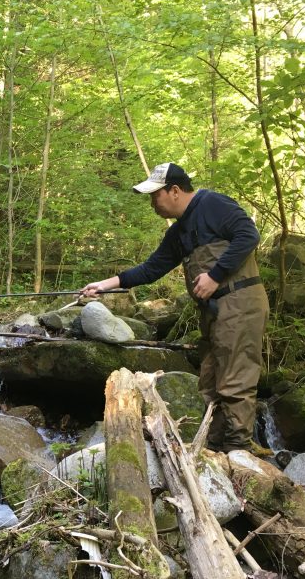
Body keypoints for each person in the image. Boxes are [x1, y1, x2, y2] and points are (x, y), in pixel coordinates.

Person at [81, 162, 269, 452]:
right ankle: (215, 451)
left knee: (235, 383)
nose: (152, 203)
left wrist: (215, 275)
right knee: (210, 382)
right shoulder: (178, 233)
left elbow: (248, 235)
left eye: (155, 196)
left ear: (175, 191)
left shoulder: (213, 204)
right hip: (214, 312)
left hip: (240, 303)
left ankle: (240, 454)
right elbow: (151, 268)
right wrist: (104, 285)